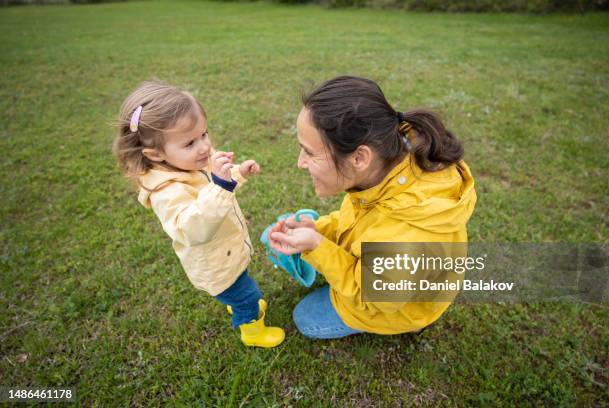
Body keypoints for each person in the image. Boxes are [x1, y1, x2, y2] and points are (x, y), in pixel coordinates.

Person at [269, 76, 477, 339]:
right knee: (273, 233)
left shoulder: (406, 236)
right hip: (385, 274)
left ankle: (412, 323)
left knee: (305, 318)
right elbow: (360, 222)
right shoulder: (384, 167)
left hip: (387, 303)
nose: (300, 163)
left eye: (309, 152)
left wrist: (317, 246)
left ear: (359, 157)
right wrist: (319, 228)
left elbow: (372, 297)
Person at [113, 81, 284, 348]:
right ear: (156, 154)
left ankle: (237, 301)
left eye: (204, 134)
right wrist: (221, 184)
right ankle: (252, 331)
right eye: (190, 142)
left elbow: (217, 184)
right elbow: (192, 229)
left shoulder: (187, 161)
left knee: (241, 284)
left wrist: (238, 173)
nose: (204, 146)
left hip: (226, 251)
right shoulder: (166, 191)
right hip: (215, 264)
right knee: (248, 295)